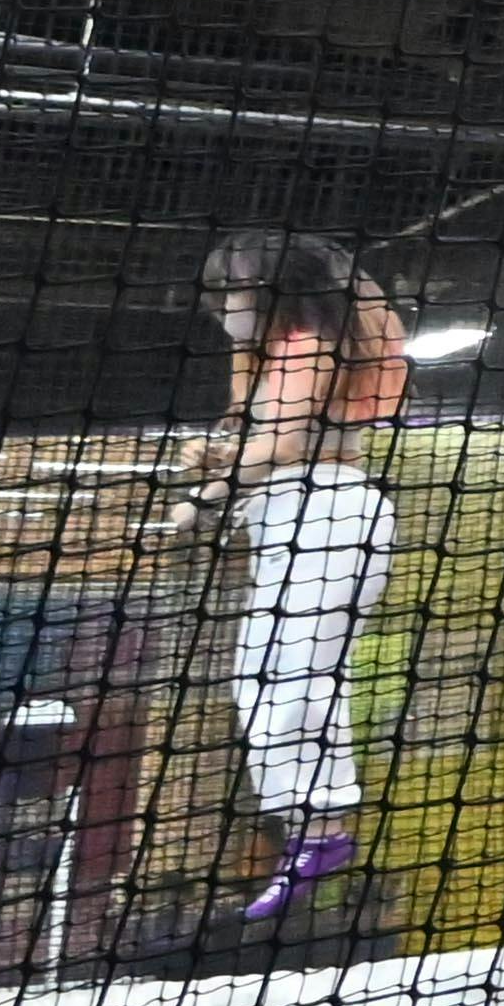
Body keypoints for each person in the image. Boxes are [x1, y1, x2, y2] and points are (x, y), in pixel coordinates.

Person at [173, 226, 408, 929]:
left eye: (234, 291)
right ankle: (312, 833)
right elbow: (260, 444)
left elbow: (281, 444)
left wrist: (202, 497)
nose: (223, 308)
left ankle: (321, 832)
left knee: (294, 683)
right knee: (259, 683)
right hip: (288, 521)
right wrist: (213, 459)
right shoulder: (274, 355)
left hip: (328, 517)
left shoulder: (309, 343)